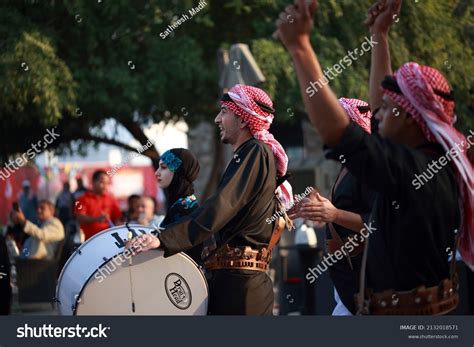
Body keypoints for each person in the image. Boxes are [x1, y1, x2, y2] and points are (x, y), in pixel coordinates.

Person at [276, 0, 472, 314]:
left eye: (389, 108)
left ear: (410, 118)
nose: (377, 115)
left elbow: (335, 132)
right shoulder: (423, 160)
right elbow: (379, 104)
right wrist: (380, 34)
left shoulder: (415, 170)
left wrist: (300, 49)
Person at [127, 84, 293, 315]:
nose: (217, 119)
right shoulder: (249, 154)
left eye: (224, 112)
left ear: (244, 120)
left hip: (242, 288)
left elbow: (221, 206)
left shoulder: (255, 151)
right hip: (234, 283)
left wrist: (164, 239)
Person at [293, 98, 375, 315]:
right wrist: (319, 210)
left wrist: (335, 213)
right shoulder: (349, 167)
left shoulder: (369, 168)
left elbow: (379, 224)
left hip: (366, 285)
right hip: (348, 284)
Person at [153, 148, 201, 263]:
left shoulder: (184, 208)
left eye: (164, 167)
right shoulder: (183, 203)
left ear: (179, 171)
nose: (157, 172)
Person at [74, 170, 123, 240]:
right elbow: (80, 218)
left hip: (110, 239)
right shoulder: (81, 200)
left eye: (107, 183)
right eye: (102, 182)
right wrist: (96, 219)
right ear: (93, 182)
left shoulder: (112, 199)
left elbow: (118, 218)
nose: (105, 186)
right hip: (90, 241)